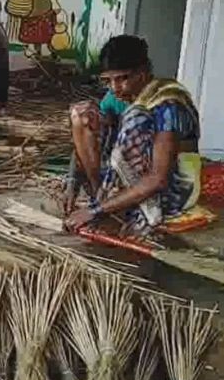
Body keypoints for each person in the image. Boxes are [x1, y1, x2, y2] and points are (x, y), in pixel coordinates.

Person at [64, 35, 210, 235]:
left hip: (172, 190)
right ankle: (102, 198)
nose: (114, 88)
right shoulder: (119, 97)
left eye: (122, 78)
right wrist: (72, 181)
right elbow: (87, 139)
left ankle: (111, 209)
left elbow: (159, 179)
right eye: (108, 81)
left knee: (135, 117)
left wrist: (94, 212)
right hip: (133, 180)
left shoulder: (168, 105)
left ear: (142, 74)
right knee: (82, 114)